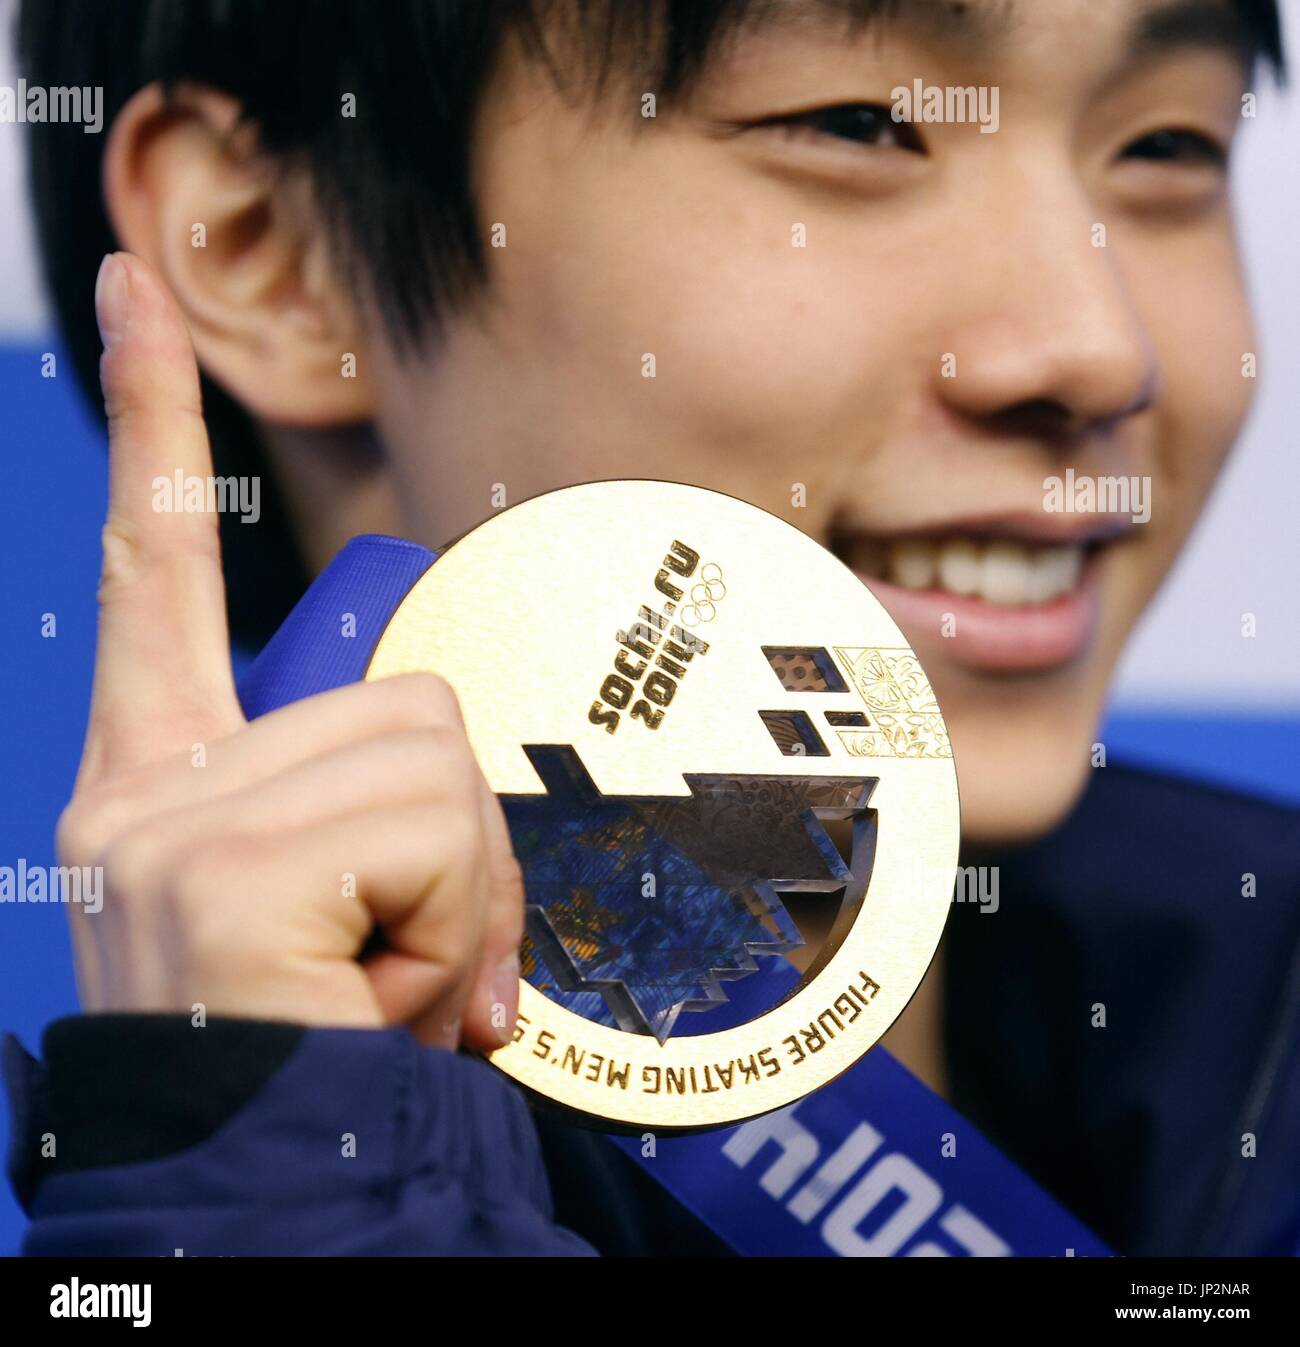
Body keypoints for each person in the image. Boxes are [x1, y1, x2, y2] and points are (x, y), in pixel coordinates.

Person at [5, 0, 1297, 1256]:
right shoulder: (239, 1195)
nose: (1096, 349)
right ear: (269, 248)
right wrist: (281, 1199)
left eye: (1167, 146)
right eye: (854, 122)